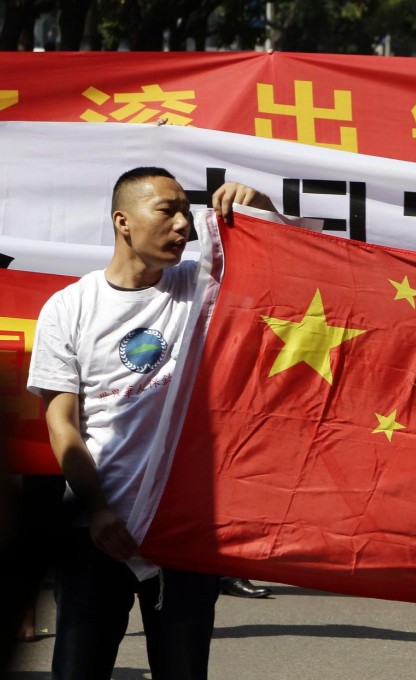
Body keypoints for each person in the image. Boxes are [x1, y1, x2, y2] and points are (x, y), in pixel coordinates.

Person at [27, 167, 275, 680]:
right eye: (167, 210)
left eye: (186, 211)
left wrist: (262, 207)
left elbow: (285, 269)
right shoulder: (69, 307)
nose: (183, 224)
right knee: (78, 668)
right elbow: (63, 426)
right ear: (123, 221)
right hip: (98, 531)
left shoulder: (202, 287)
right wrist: (98, 509)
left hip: (184, 528)